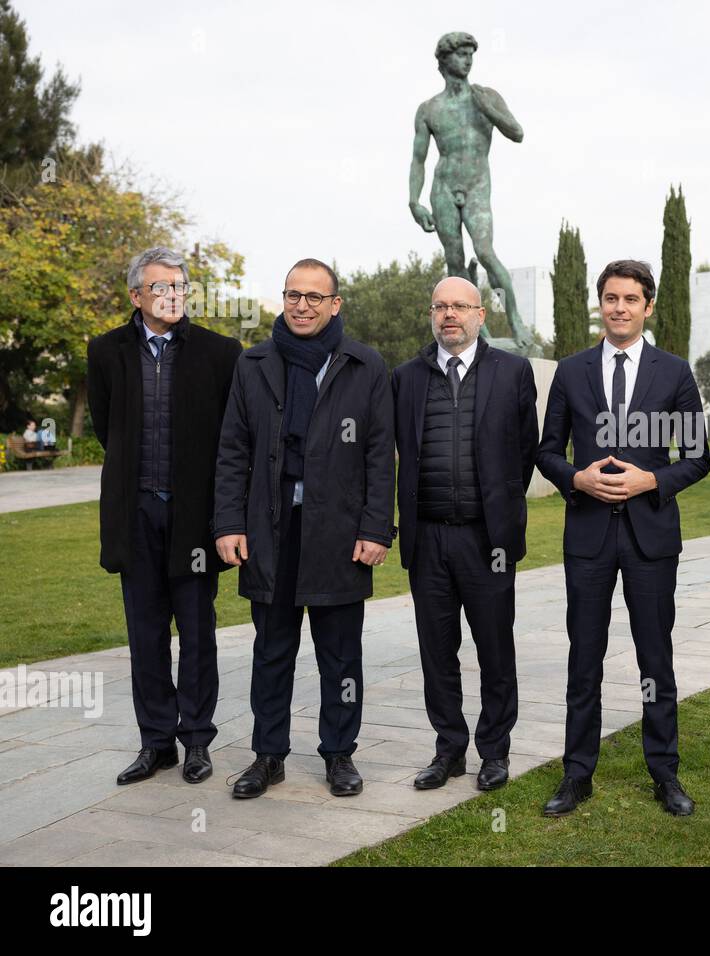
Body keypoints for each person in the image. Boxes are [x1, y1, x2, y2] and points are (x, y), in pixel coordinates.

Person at [213, 258, 395, 799]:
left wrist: (376, 529)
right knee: (271, 650)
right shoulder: (254, 363)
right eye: (294, 295)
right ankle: (268, 756)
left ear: (335, 304)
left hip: (339, 531)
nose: (302, 305)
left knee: (341, 654)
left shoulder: (365, 365)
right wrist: (227, 522)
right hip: (269, 529)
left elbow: (379, 456)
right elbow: (232, 450)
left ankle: (339, 755)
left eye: (315, 297)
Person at [536, 259, 710, 817]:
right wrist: (576, 478)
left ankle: (665, 774)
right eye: (610, 298)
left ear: (647, 306)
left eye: (630, 299)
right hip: (587, 536)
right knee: (583, 657)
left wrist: (653, 479)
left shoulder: (675, 372)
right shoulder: (571, 371)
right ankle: (576, 774)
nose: (619, 307)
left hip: (650, 538)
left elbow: (700, 458)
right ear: (601, 304)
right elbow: (545, 451)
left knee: (655, 659)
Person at [86, 246, 242, 786]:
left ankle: (196, 739)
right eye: (161, 287)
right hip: (136, 514)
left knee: (197, 631)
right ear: (136, 295)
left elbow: (230, 440)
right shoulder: (106, 352)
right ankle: (156, 742)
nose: (172, 295)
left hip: (194, 518)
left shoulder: (220, 353)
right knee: (145, 633)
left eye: (179, 286)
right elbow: (108, 431)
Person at [391, 275, 538, 793]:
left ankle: (494, 751)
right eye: (440, 306)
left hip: (487, 540)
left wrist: (496, 507)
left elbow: (524, 451)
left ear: (480, 315)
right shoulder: (406, 377)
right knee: (437, 651)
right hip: (427, 538)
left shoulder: (513, 372)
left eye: (460, 306)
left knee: (495, 648)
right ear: (432, 315)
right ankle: (449, 749)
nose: (449, 315)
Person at [408, 31, 531, 347]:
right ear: (444, 60)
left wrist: (486, 108)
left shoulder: (485, 95)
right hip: (443, 187)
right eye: (460, 54)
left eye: (470, 54)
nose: (467, 60)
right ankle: (479, 334)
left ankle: (516, 323)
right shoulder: (428, 109)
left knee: (486, 252)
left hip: (477, 185)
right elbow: (418, 159)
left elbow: (517, 133)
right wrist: (414, 201)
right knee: (455, 262)